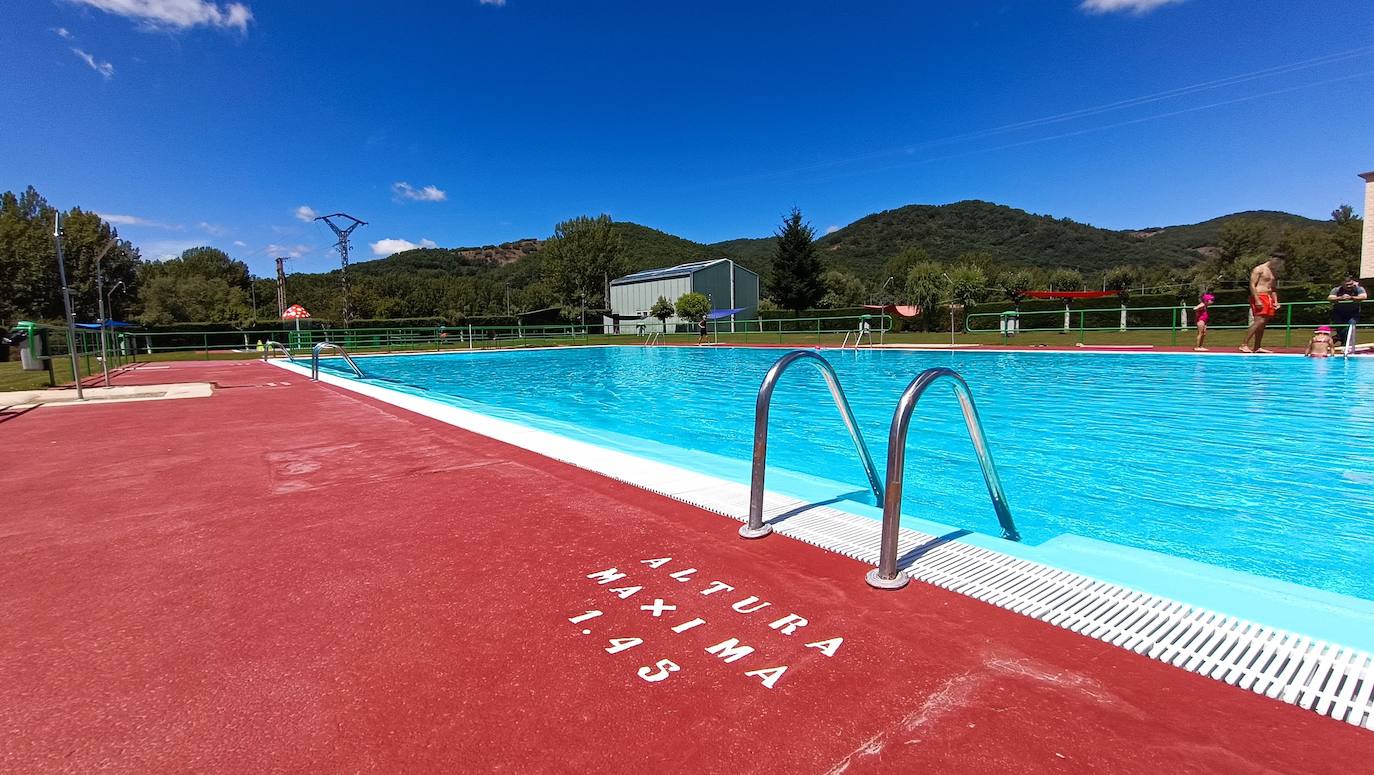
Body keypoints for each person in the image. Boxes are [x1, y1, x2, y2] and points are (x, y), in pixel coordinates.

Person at [1240, 251, 1284, 353]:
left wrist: (1276, 301)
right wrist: (1257, 299)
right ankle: (1244, 344)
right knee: (1259, 321)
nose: (1278, 263)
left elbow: (1273, 288)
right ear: (1271, 258)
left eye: (1280, 262)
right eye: (1276, 260)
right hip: (1259, 296)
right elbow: (1252, 285)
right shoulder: (1259, 269)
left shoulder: (1273, 271)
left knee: (1263, 323)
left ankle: (1257, 347)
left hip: (1268, 298)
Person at [1327, 275, 1368, 350]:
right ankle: (1339, 338)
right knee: (1340, 328)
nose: (1349, 286)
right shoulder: (1337, 289)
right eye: (1347, 285)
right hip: (1339, 312)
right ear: (1342, 284)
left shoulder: (1358, 288)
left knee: (1349, 327)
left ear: (1353, 283)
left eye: (1350, 284)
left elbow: (1364, 296)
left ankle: (1344, 344)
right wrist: (1340, 298)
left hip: (1353, 312)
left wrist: (1351, 297)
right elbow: (1330, 298)